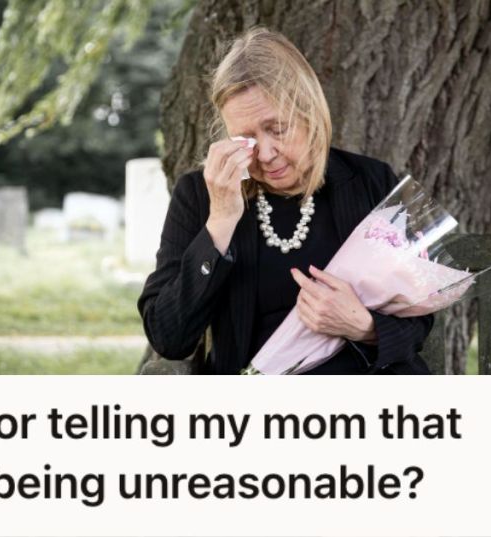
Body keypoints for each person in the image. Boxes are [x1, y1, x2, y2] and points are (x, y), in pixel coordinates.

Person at [138, 27, 433, 375]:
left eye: (277, 129)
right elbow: (169, 337)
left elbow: (419, 321)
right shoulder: (201, 196)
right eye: (246, 139)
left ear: (310, 112)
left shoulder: (371, 181)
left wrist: (365, 327)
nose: (265, 154)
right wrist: (219, 224)